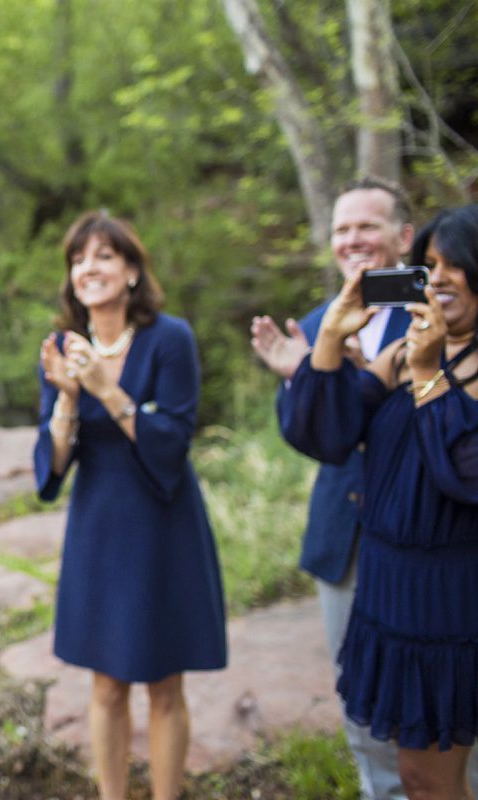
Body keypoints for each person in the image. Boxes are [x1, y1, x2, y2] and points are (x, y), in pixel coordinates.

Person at [279, 204, 478, 799]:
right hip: (390, 588)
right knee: (412, 774)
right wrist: (330, 343)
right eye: (428, 265)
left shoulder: (424, 360)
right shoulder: (404, 352)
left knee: (433, 777)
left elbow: (465, 473)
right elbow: (331, 436)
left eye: (455, 265)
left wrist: (426, 374)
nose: (437, 279)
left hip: (451, 597)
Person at [34, 211, 226, 800]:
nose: (89, 268)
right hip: (100, 524)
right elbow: (52, 469)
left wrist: (107, 391)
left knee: (166, 683)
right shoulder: (63, 347)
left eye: (104, 256)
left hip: (164, 518)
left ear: (133, 271)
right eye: (79, 258)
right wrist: (68, 395)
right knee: (106, 683)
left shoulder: (171, 339)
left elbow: (173, 443)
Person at [251, 177, 413, 799]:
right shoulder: (318, 323)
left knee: (450, 702)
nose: (352, 240)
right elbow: (311, 439)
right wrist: (307, 372)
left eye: (367, 226)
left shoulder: (440, 310)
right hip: (343, 540)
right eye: (342, 229)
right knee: (362, 704)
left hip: (428, 536)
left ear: (402, 236)